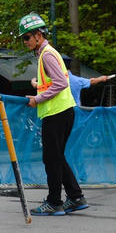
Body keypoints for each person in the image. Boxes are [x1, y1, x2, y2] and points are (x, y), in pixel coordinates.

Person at [19, 13, 87, 216]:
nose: (25, 42)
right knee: (56, 157)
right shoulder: (48, 53)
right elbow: (53, 83)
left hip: (56, 113)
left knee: (51, 158)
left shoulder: (47, 55)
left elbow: (61, 83)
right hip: (63, 112)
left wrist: (37, 99)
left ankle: (54, 202)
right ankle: (75, 197)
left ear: (38, 35)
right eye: (23, 38)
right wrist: (37, 88)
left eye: (27, 37)